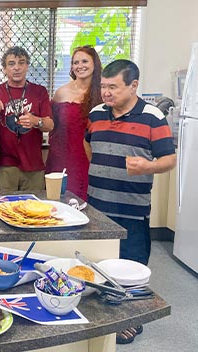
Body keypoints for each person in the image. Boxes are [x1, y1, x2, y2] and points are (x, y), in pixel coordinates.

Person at [84, 59, 176, 345]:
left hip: (132, 211)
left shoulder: (152, 117)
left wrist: (147, 167)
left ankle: (131, 321)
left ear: (134, 85)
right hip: (97, 207)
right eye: (103, 86)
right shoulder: (97, 112)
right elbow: (89, 143)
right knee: (99, 266)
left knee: (132, 268)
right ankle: (107, 318)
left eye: (113, 87)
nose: (106, 93)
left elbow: (169, 159)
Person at [0, 46, 53, 192]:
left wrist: (36, 121)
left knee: (33, 209)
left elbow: (50, 125)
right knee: (5, 207)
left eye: (21, 62)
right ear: (4, 68)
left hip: (33, 164)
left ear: (27, 66)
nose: (17, 68)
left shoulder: (39, 91)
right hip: (5, 164)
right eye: (11, 64)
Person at [45, 46, 103, 200]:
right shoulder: (61, 92)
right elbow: (51, 124)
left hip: (89, 156)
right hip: (61, 155)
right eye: (75, 62)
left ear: (94, 64)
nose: (80, 66)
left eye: (84, 61)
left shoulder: (103, 93)